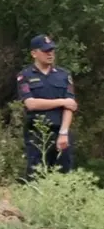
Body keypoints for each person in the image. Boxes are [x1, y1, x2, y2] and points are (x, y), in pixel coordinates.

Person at [17, 34, 77, 181]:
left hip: (60, 132)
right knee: (36, 176)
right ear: (34, 53)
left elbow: (71, 106)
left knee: (63, 178)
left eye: (52, 50)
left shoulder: (64, 75)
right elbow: (31, 104)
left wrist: (63, 133)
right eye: (45, 51)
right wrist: (61, 102)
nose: (50, 54)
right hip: (37, 132)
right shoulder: (25, 76)